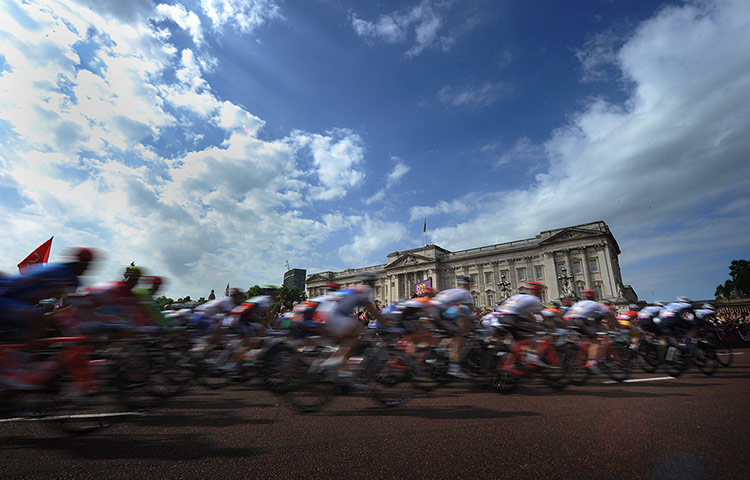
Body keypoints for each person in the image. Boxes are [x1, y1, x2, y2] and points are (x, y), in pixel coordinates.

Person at [0, 247, 96, 340]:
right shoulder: (65, 275)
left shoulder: (67, 274)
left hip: (15, 299)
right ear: (80, 264)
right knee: (37, 326)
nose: (87, 269)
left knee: (40, 325)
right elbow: (69, 302)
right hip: (8, 299)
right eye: (87, 265)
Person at [310, 272, 384, 382]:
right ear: (370, 283)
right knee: (356, 339)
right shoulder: (364, 290)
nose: (374, 285)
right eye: (374, 282)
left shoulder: (353, 291)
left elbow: (351, 315)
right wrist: (384, 323)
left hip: (324, 313)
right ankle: (335, 366)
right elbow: (373, 310)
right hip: (333, 315)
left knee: (347, 340)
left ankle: (332, 364)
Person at [432, 276, 478, 379]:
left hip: (430, 310)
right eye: (470, 285)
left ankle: (438, 353)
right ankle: (454, 369)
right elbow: (471, 311)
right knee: (460, 336)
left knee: (449, 333)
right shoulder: (465, 293)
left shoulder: (449, 291)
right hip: (439, 312)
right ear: (468, 285)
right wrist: (475, 317)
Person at [494, 282, 548, 367]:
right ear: (537, 292)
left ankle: (513, 358)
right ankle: (533, 358)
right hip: (511, 318)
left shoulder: (518, 297)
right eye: (541, 292)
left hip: (500, 318)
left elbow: (528, 315)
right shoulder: (534, 299)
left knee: (517, 339)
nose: (541, 294)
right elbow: (540, 316)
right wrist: (543, 325)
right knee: (532, 332)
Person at [563, 289, 617, 373]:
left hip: (568, 321)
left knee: (583, 339)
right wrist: (620, 328)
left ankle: (580, 353)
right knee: (595, 341)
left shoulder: (578, 304)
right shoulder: (596, 304)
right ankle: (591, 362)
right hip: (580, 321)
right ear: (595, 296)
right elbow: (610, 316)